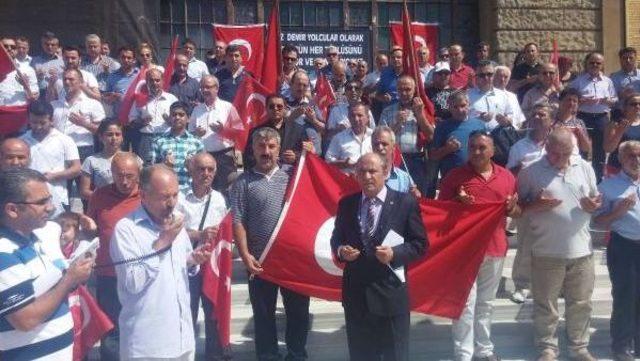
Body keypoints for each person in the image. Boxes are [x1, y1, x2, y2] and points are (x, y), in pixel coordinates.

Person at [330, 152, 428, 361]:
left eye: (372, 171)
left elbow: (420, 245)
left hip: (390, 296)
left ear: (385, 172)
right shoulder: (346, 204)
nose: (367, 176)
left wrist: (395, 253)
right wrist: (341, 251)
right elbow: (335, 239)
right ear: (355, 174)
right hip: (356, 297)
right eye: (362, 171)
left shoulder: (405, 203)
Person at [110, 164, 211, 361]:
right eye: (165, 197)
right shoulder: (126, 229)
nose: (171, 203)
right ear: (143, 195)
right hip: (148, 345)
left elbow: (180, 263)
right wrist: (163, 241)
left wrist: (193, 260)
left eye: (175, 195)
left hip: (183, 338)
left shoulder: (176, 222)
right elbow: (133, 283)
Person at [517, 128, 600, 361]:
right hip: (546, 251)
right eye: (556, 153)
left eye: (566, 153)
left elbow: (596, 199)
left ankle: (579, 347)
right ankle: (547, 348)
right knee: (546, 304)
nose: (561, 159)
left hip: (582, 251)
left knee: (581, 303)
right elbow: (518, 210)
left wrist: (593, 205)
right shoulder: (530, 172)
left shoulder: (584, 167)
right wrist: (536, 205)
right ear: (546, 148)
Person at [231, 127, 311, 361]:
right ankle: (268, 355)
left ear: (279, 149)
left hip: (293, 261)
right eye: (261, 146)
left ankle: (296, 353)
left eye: (271, 146)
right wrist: (245, 255)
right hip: (259, 260)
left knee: (298, 312)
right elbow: (238, 221)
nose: (266, 151)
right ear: (253, 149)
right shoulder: (242, 182)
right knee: (264, 313)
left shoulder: (293, 179)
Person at [439, 132, 520, 361]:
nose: (476, 151)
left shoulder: (507, 177)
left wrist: (512, 208)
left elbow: (517, 212)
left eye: (482, 148)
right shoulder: (455, 177)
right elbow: (440, 211)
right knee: (464, 304)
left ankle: (484, 350)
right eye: (472, 147)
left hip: (495, 248)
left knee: (486, 304)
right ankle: (463, 354)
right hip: (464, 251)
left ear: (492, 151)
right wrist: (457, 202)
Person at [0, 168, 94, 360]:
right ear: (12, 210)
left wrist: (76, 274)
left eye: (49, 199)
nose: (51, 208)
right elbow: (25, 319)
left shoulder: (35, 240)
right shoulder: (4, 252)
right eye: (42, 202)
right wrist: (69, 280)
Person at [87, 152, 142, 361]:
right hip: (108, 273)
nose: (125, 181)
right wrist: (88, 228)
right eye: (120, 175)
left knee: (140, 327)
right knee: (111, 329)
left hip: (141, 274)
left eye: (130, 175)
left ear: (138, 174)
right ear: (111, 173)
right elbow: (91, 232)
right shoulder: (99, 196)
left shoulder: (148, 195)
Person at [176, 152, 229, 360]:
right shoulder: (179, 197)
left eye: (210, 169)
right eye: (201, 169)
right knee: (187, 314)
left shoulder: (218, 198)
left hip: (211, 265)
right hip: (186, 264)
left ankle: (215, 355)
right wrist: (200, 234)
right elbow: (172, 232)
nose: (205, 173)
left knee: (213, 314)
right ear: (190, 170)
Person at [594, 140, 640, 361]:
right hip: (624, 246)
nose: (636, 160)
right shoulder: (608, 186)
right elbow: (598, 221)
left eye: (639, 155)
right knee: (625, 296)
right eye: (631, 155)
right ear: (621, 159)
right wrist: (618, 212)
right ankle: (621, 346)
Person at [506, 104, 554, 304]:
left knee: (554, 248)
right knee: (526, 246)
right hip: (529, 204)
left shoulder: (561, 142)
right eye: (533, 113)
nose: (536, 116)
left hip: (554, 204)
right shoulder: (519, 147)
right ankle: (522, 285)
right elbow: (509, 176)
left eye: (542, 114)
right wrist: (521, 168)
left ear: (551, 120)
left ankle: (551, 286)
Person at [21, 100, 80, 216]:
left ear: (52, 120)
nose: (38, 126)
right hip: (28, 199)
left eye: (42, 122)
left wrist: (53, 176)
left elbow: (76, 168)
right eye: (34, 122)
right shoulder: (21, 141)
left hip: (57, 199)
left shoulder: (64, 140)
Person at [380, 75, 434, 195]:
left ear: (414, 90)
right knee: (394, 196)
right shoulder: (387, 111)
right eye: (401, 89)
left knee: (418, 197)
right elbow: (380, 140)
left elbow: (431, 136)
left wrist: (420, 115)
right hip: (394, 160)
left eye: (408, 89)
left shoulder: (423, 109)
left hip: (417, 161)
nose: (404, 93)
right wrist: (396, 123)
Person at [569, 52, 617, 181]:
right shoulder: (578, 82)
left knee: (600, 151)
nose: (595, 65)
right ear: (586, 64)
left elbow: (614, 99)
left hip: (602, 118)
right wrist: (582, 101)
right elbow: (569, 99)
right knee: (581, 149)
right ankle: (581, 178)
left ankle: (598, 179)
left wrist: (607, 101)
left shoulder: (608, 81)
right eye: (592, 62)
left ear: (602, 65)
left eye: (598, 63)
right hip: (583, 117)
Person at [189, 75, 239, 192]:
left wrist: (223, 130)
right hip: (204, 156)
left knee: (228, 189)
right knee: (206, 189)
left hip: (225, 156)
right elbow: (190, 133)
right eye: (202, 88)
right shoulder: (197, 110)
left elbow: (239, 133)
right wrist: (196, 133)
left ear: (217, 88)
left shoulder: (227, 107)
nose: (205, 90)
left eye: (208, 87)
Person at [244, 94, 318, 169]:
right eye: (272, 106)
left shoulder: (299, 129)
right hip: (264, 175)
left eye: (279, 106)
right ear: (266, 108)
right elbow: (248, 158)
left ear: (285, 108)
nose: (275, 109)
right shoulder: (255, 132)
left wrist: (296, 157)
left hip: (289, 175)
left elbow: (308, 154)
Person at [51, 68, 106, 162]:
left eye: (71, 79)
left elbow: (104, 131)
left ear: (81, 82)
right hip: (58, 148)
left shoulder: (93, 104)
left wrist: (84, 124)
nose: (67, 82)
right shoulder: (54, 105)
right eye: (65, 79)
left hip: (82, 148)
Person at [128, 68, 179, 163]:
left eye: (157, 80)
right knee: (146, 169)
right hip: (146, 140)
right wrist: (142, 122)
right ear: (147, 82)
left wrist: (170, 121)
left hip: (166, 138)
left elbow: (180, 122)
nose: (154, 83)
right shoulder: (140, 99)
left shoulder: (172, 99)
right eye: (151, 80)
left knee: (167, 167)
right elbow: (131, 121)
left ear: (163, 81)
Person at [431, 91, 486, 178]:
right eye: (455, 107)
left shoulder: (480, 125)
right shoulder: (442, 127)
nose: (460, 110)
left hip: (475, 176)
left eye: (463, 105)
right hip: (451, 178)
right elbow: (433, 156)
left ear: (468, 105)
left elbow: (487, 151)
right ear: (449, 108)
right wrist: (447, 149)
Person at [151, 101, 204, 191]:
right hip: (165, 190)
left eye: (181, 114)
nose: (177, 117)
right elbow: (151, 170)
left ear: (188, 119)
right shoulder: (158, 141)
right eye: (174, 114)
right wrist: (164, 166)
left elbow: (203, 170)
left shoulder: (197, 142)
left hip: (190, 190)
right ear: (169, 118)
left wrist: (191, 168)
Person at [80, 120, 137, 200]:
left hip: (129, 206)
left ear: (122, 137)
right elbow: (84, 192)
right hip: (103, 207)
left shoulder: (133, 159)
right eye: (109, 134)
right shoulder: (91, 161)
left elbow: (142, 186)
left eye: (117, 134)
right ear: (100, 137)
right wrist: (107, 199)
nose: (114, 138)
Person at [371, 125, 420, 197]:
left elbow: (413, 201)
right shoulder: (364, 175)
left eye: (384, 144)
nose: (380, 148)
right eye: (376, 144)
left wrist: (415, 195)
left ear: (393, 147)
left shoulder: (404, 178)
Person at [325, 102, 373, 173]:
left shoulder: (376, 137)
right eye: (353, 116)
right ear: (348, 118)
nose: (356, 119)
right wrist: (343, 164)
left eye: (360, 115)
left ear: (368, 118)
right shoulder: (339, 138)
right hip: (347, 181)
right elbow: (327, 162)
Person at [326, 80, 374, 147]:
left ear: (361, 92)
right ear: (345, 92)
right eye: (349, 88)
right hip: (342, 148)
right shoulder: (336, 110)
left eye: (356, 88)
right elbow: (328, 135)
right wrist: (338, 130)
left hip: (362, 147)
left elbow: (373, 132)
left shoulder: (367, 111)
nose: (353, 90)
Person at [604, 93, 640, 174]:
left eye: (639, 104)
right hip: (617, 169)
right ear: (625, 107)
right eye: (633, 104)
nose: (637, 106)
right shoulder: (614, 124)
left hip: (637, 169)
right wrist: (620, 131)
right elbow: (608, 148)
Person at [553, 88, 592, 158]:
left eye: (575, 101)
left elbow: (586, 148)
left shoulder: (579, 122)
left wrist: (579, 133)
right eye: (568, 100)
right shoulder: (550, 120)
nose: (571, 103)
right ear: (560, 101)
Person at [0, 37, 39, 106]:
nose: (9, 49)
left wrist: (26, 86)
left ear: (16, 50)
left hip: (19, 112)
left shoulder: (29, 70)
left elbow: (34, 98)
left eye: (13, 47)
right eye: (5, 46)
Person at [104, 45, 139, 115]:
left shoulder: (140, 75)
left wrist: (122, 97)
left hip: (137, 118)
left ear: (134, 60)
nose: (126, 60)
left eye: (129, 58)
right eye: (123, 57)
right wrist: (111, 98)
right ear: (118, 59)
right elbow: (107, 99)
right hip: (118, 117)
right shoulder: (112, 76)